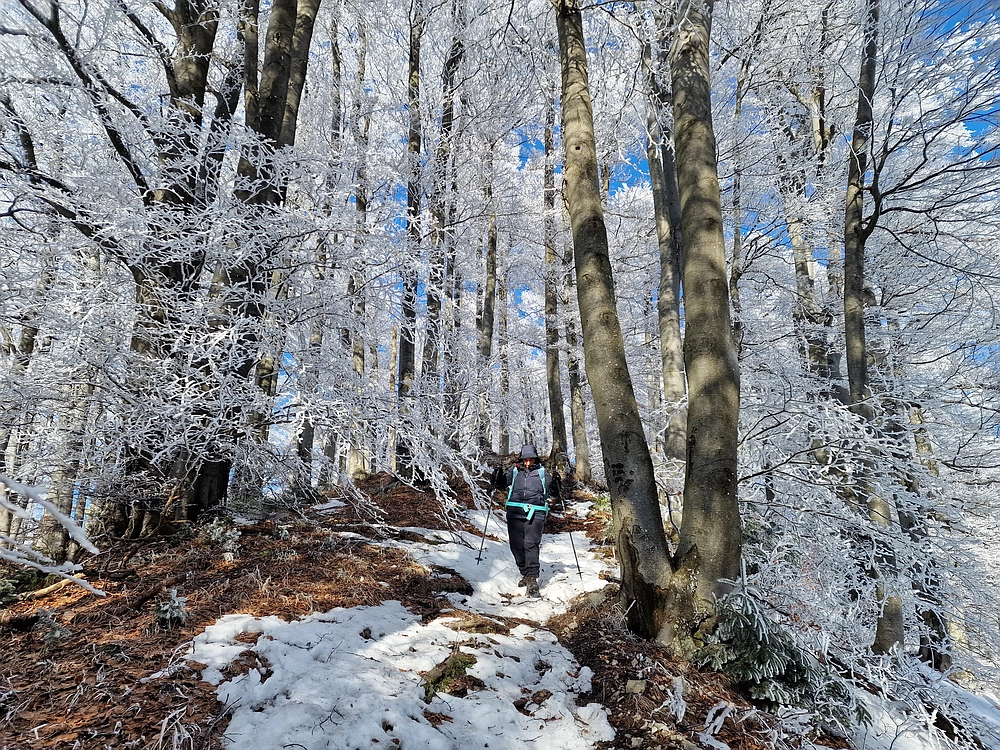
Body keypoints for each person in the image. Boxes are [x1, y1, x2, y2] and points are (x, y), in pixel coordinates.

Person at [493, 444, 560, 597]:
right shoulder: (515, 471)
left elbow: (552, 493)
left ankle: (532, 578)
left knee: (531, 543)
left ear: (535, 459)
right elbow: (500, 484)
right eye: (525, 459)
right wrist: (497, 475)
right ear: (521, 459)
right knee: (516, 546)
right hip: (514, 511)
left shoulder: (542, 472)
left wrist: (556, 483)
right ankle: (525, 572)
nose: (528, 462)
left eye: (531, 459)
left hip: (536, 512)